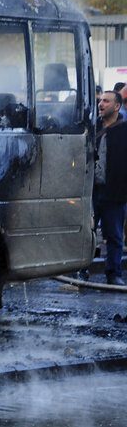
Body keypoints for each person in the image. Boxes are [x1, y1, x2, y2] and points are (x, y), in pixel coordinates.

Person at [94, 90, 127, 285]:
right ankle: (80, 270)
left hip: (114, 191)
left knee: (114, 235)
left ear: (117, 106)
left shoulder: (124, 131)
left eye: (106, 101)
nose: (101, 104)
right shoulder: (92, 128)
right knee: (87, 233)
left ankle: (114, 273)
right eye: (100, 101)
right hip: (92, 191)